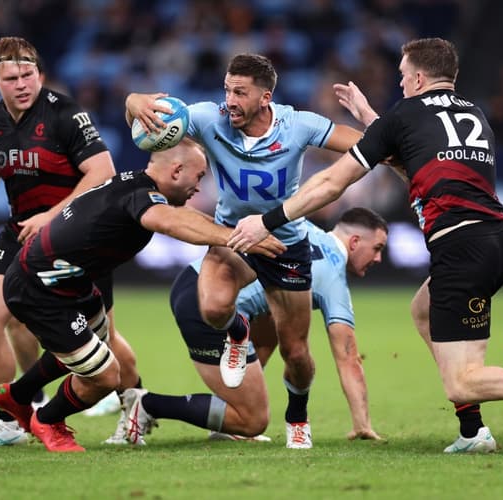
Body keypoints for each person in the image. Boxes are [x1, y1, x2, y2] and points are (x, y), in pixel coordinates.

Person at [228, 37, 503, 452]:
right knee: (422, 310)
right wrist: (374, 118)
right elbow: (417, 161)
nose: (401, 84)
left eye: (404, 77)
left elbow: (333, 182)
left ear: (420, 77)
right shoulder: (474, 114)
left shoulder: (404, 114)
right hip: (496, 239)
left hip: (460, 247)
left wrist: (269, 220)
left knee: (462, 381)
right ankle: (472, 432)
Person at [124, 53, 365, 449]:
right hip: (235, 237)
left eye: (240, 92)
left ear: (265, 97)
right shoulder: (207, 118)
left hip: (285, 245)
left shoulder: (298, 125)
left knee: (297, 352)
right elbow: (147, 111)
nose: (230, 100)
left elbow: (360, 147)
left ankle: (297, 415)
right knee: (215, 308)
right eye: (227, 90)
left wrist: (373, 123)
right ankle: (239, 334)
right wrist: (133, 100)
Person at [0, 37, 139, 448]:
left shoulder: (66, 114)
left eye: (28, 74)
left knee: (102, 338)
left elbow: (103, 172)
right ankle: (13, 417)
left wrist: (51, 216)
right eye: (12, 77)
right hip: (21, 231)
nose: (22, 83)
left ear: (41, 75)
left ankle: (133, 409)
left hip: (77, 236)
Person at [0, 139, 284, 452]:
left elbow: (183, 218)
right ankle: (48, 420)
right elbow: (168, 221)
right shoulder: (142, 196)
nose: (199, 187)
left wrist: (235, 234)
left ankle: (17, 397)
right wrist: (237, 239)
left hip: (70, 282)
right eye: (198, 177)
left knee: (87, 350)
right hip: (39, 288)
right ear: (176, 170)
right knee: (105, 375)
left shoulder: (134, 183)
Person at [104, 207, 388, 446]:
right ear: (353, 242)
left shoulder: (300, 226)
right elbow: (348, 357)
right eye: (377, 248)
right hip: (208, 307)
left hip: (196, 282)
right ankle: (147, 404)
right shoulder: (332, 278)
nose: (379, 259)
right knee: (253, 421)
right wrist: (362, 424)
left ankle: (227, 421)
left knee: (281, 320)